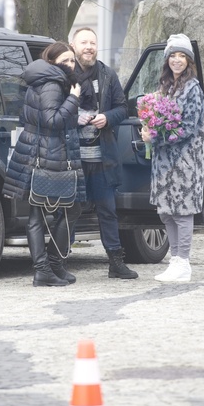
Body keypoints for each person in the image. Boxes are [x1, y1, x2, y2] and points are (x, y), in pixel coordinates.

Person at [2, 42, 85, 287]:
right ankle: (46, 268)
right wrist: (73, 99)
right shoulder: (52, 84)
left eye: (72, 60)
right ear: (52, 62)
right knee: (52, 211)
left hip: (43, 152)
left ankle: (51, 267)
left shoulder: (47, 80)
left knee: (51, 211)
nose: (70, 65)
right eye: (65, 60)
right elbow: (52, 120)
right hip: (46, 155)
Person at [71, 27, 138, 279]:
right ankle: (58, 262)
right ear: (73, 46)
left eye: (92, 42)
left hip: (103, 157)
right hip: (72, 158)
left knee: (108, 210)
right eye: (84, 42)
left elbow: (122, 108)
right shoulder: (65, 74)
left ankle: (115, 263)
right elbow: (53, 109)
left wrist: (107, 118)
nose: (89, 47)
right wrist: (74, 118)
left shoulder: (108, 74)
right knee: (68, 211)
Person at [142, 33, 204, 283]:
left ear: (189, 60)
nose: (177, 60)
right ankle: (175, 260)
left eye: (182, 56)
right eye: (173, 55)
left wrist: (155, 137)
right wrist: (149, 127)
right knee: (166, 212)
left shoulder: (192, 88)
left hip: (184, 162)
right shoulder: (167, 87)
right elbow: (159, 117)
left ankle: (183, 262)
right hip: (164, 162)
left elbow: (188, 127)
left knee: (182, 212)